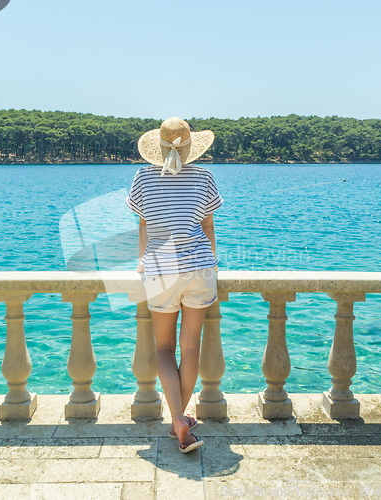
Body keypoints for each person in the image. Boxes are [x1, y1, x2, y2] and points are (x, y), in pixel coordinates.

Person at [125, 117, 223, 453]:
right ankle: (180, 419)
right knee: (190, 346)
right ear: (191, 145)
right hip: (199, 270)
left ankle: (178, 419)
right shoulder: (204, 177)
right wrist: (211, 261)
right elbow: (207, 227)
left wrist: (142, 261)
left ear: (160, 146)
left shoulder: (142, 177)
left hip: (160, 270)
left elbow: (144, 228)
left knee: (164, 349)